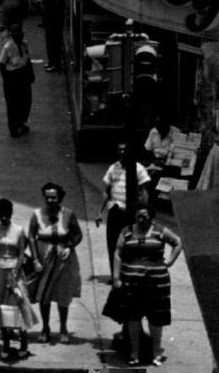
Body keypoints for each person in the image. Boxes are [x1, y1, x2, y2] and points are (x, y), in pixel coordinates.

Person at [112, 201, 182, 368]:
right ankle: (134, 353)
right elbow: (118, 253)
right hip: (132, 282)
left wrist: (170, 261)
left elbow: (178, 242)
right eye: (138, 216)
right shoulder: (127, 231)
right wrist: (116, 277)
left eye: (144, 216)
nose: (141, 219)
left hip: (157, 283)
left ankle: (156, 352)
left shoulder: (160, 230)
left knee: (156, 319)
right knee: (133, 318)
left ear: (151, 217)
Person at [0, 197, 35, 361]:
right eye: (1, 214)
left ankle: (23, 341)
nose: (4, 217)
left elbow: (21, 254)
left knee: (18, 305)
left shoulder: (18, 230)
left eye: (7, 214)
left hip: (14, 271)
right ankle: (6, 343)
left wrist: (14, 275)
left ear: (11, 213)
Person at [27, 181, 82, 344]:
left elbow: (77, 234)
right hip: (44, 258)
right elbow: (31, 236)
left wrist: (70, 246)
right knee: (44, 295)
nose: (51, 201)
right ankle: (45, 328)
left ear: (60, 198)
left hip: (63, 259)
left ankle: (63, 328)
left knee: (62, 294)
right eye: (48, 197)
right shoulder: (36, 214)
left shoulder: (68, 214)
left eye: (54, 198)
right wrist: (35, 259)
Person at [99, 142, 151, 273]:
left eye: (124, 150)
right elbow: (107, 190)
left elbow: (144, 192)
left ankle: (130, 271)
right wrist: (100, 212)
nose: (122, 152)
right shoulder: (113, 168)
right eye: (120, 150)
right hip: (115, 210)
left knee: (131, 241)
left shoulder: (138, 169)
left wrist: (144, 211)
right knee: (112, 242)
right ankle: (114, 273)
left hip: (131, 212)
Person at [0, 23, 33, 137]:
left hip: (23, 75)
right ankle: (13, 127)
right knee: (13, 104)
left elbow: (28, 60)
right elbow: (2, 64)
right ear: (12, 35)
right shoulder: (8, 47)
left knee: (26, 101)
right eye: (16, 33)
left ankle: (21, 122)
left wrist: (31, 74)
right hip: (12, 76)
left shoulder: (25, 44)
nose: (19, 36)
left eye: (20, 33)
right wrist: (7, 80)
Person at [143, 117, 177, 189]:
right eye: (158, 128)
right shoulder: (153, 131)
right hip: (156, 162)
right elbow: (148, 149)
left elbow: (177, 153)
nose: (160, 131)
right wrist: (154, 161)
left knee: (156, 178)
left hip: (171, 164)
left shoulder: (176, 132)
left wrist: (165, 161)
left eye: (162, 128)